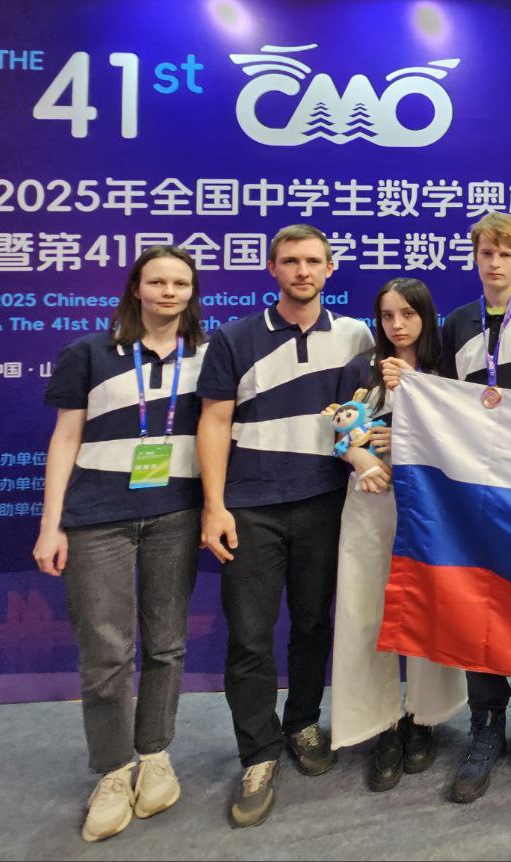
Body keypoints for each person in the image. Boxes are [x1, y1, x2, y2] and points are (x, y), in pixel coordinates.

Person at [196, 224, 374, 827]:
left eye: (313, 261)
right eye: (291, 261)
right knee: (250, 636)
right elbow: (214, 421)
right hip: (249, 507)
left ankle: (301, 723)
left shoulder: (355, 335)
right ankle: (258, 752)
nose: (302, 271)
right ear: (272, 268)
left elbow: (362, 419)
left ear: (330, 269)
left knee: (313, 624)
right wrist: (214, 505)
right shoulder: (234, 337)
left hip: (324, 501)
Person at [393, 211, 511, 803]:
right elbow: (443, 403)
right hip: (474, 488)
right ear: (474, 259)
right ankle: (486, 725)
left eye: (504, 254)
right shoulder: (457, 323)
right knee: (480, 604)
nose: (493, 263)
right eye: (485, 254)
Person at [33, 246, 207, 842]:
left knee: (166, 644)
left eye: (180, 283)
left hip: (175, 515)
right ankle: (112, 770)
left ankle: (154, 755)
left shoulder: (207, 356)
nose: (168, 292)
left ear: (191, 292)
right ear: (137, 288)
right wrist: (51, 523)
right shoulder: (88, 353)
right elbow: (65, 439)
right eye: (157, 281)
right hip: (96, 519)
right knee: (106, 652)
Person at [332, 278, 467, 792]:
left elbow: (465, 436)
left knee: (426, 605)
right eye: (387, 316)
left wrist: (411, 415)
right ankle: (380, 724)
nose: (397, 325)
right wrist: (359, 456)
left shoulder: (444, 371)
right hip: (370, 500)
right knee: (365, 609)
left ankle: (423, 716)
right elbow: (339, 426)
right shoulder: (360, 369)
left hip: (431, 505)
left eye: (408, 314)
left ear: (425, 317)